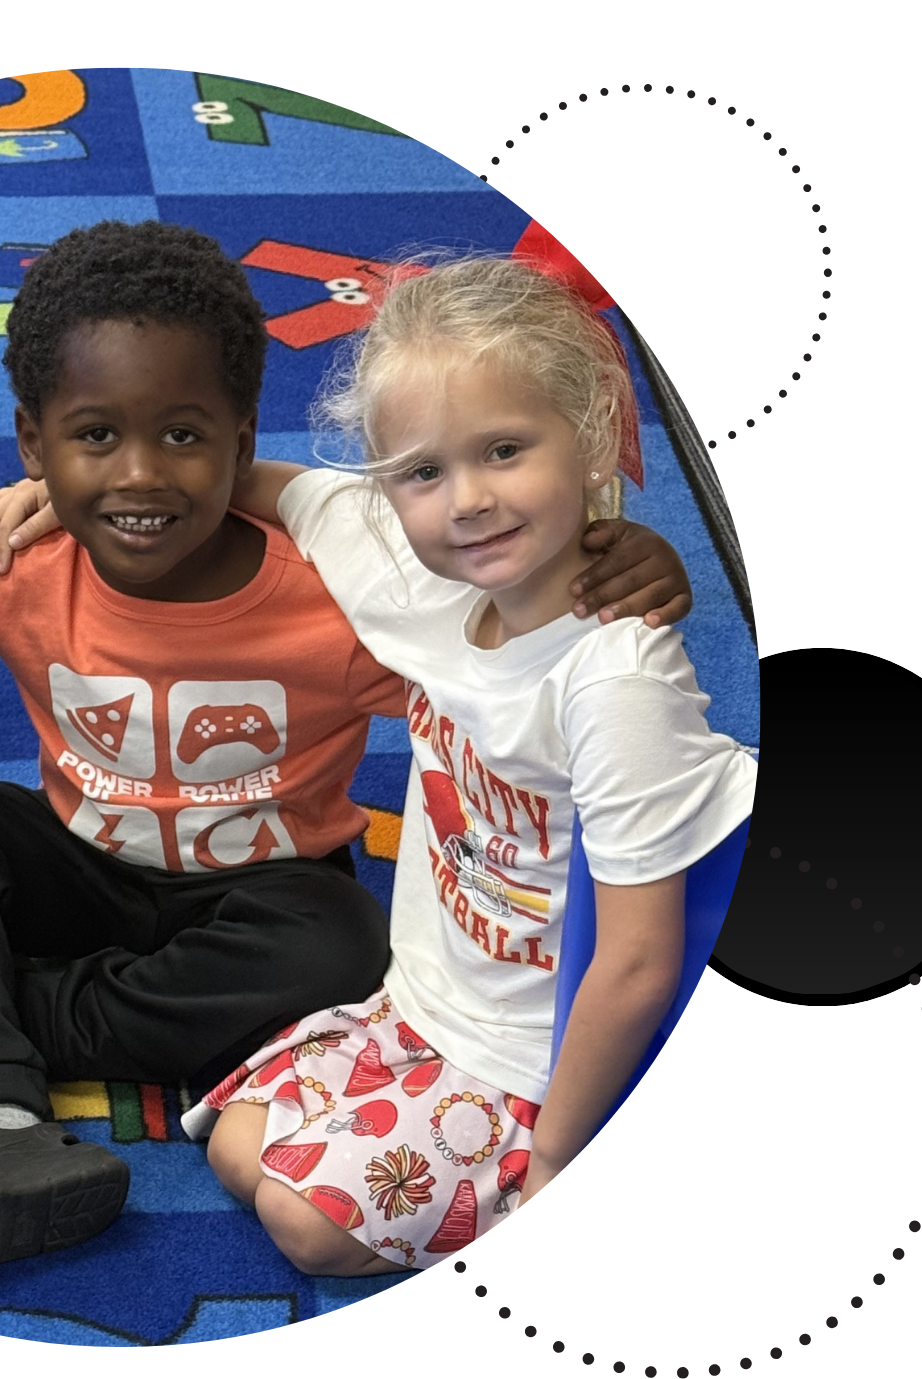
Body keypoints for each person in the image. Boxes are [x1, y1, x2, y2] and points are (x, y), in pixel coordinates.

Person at [0, 223, 694, 1287]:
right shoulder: (15, 551)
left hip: (264, 899)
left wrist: (624, 550)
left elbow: (508, 627)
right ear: (31, 449)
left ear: (240, 439)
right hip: (81, 862)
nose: (140, 473)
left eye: (184, 435)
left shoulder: (350, 596)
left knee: (339, 941)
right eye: (93, 436)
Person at [175, 255, 755, 1275]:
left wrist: (557, 1161)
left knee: (304, 1223)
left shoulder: (612, 679)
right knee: (236, 1146)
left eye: (503, 449)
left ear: (587, 435)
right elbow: (261, 488)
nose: (469, 500)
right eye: (422, 472)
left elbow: (634, 964)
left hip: (539, 1061)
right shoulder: (409, 560)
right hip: (425, 1000)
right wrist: (81, 495)